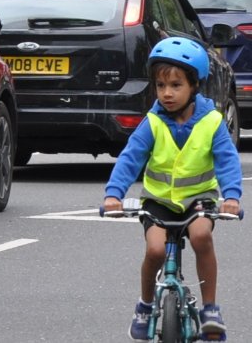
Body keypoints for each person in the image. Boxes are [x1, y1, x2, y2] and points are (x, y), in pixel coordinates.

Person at [102, 37, 243, 339]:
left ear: (194, 85)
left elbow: (227, 161)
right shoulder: (152, 122)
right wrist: (114, 194)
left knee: (201, 235)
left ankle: (210, 309)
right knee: (154, 250)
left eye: (176, 85)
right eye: (161, 86)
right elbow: (130, 158)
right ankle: (144, 304)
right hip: (158, 200)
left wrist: (231, 197)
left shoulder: (212, 122)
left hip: (200, 199)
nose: (167, 93)